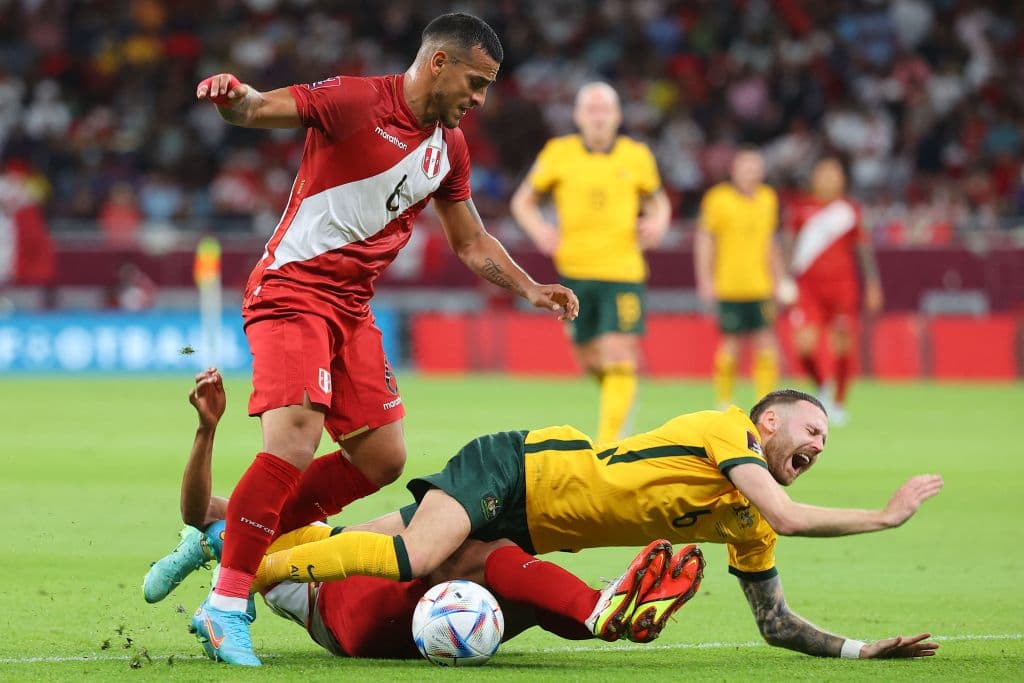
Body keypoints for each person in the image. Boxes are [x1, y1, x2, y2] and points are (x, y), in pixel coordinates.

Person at [191, 13, 579, 666]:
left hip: (351, 310)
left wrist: (530, 287)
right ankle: (227, 602)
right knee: (293, 438)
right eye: (476, 82)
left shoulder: (448, 148)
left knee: (383, 458)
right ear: (439, 64)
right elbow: (260, 111)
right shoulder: (352, 100)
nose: (479, 99)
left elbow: (471, 240)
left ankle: (241, 535)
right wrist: (237, 100)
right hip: (292, 291)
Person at [254, 389, 942, 660]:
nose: (819, 443)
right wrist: (884, 516)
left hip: (529, 528)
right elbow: (789, 516)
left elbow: (775, 623)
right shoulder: (725, 428)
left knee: (363, 546)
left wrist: (860, 651)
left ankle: (241, 555)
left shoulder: (745, 522)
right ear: (767, 422)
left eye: (826, 439)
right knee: (411, 554)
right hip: (519, 470)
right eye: (811, 429)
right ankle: (253, 571)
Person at [144, 370, 704, 661]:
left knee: (517, 594)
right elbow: (199, 513)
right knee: (476, 556)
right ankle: (597, 608)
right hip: (340, 606)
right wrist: (206, 429)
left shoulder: (287, 518)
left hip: (368, 607)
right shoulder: (252, 530)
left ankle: (605, 620)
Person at [510, 82, 671, 444]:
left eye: (605, 110)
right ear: (578, 116)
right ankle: (621, 393)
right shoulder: (559, 152)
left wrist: (659, 221)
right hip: (575, 272)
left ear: (618, 116)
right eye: (591, 110)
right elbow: (523, 201)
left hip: (624, 271)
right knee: (589, 359)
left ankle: (609, 443)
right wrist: (539, 231)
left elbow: (659, 201)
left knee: (618, 353)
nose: (598, 117)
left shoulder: (636, 155)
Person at [783, 157, 884, 424]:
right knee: (803, 345)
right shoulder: (800, 208)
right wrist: (784, 278)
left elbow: (863, 249)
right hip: (808, 287)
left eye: (835, 174)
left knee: (842, 346)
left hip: (842, 287)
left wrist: (873, 283)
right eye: (824, 173)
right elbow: (789, 245)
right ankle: (822, 386)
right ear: (814, 178)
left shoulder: (850, 211)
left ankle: (838, 402)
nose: (830, 179)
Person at [694, 146, 790, 407]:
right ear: (734, 170)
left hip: (760, 286)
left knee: (767, 343)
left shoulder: (768, 198)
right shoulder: (718, 199)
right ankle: (724, 400)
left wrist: (780, 278)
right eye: (746, 167)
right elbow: (705, 240)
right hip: (730, 286)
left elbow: (770, 243)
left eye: (756, 167)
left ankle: (765, 401)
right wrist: (705, 278)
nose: (751, 172)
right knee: (730, 345)